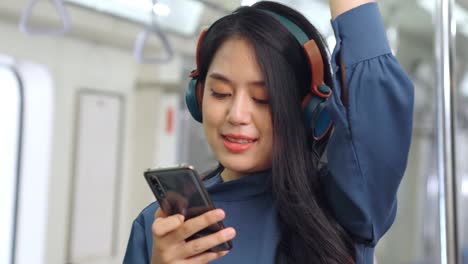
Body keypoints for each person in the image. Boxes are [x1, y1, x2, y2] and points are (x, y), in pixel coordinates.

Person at [123, 0, 414, 263]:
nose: (236, 115)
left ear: (309, 109)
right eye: (221, 93)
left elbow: (374, 99)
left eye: (264, 99)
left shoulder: (346, 205)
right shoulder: (160, 228)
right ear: (198, 96)